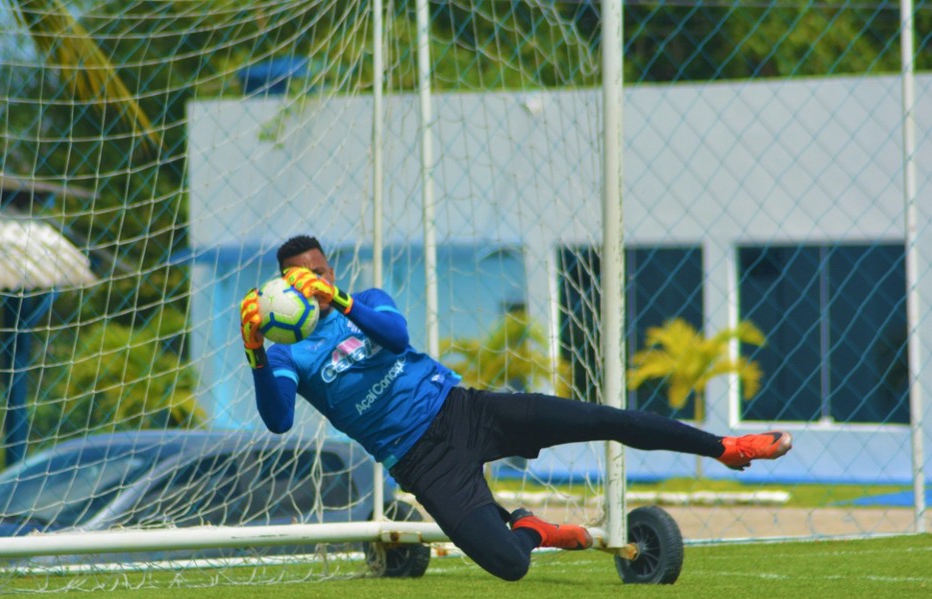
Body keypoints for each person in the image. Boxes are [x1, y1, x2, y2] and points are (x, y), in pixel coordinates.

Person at [240, 235, 792, 581]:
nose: (311, 284)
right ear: (283, 286)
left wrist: (338, 301)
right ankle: (529, 527)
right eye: (298, 278)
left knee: (602, 418)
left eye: (319, 273)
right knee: (510, 564)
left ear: (329, 272)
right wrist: (256, 352)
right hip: (421, 462)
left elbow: (396, 333)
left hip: (464, 410)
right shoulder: (287, 349)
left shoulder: (365, 303)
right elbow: (279, 419)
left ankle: (724, 446)